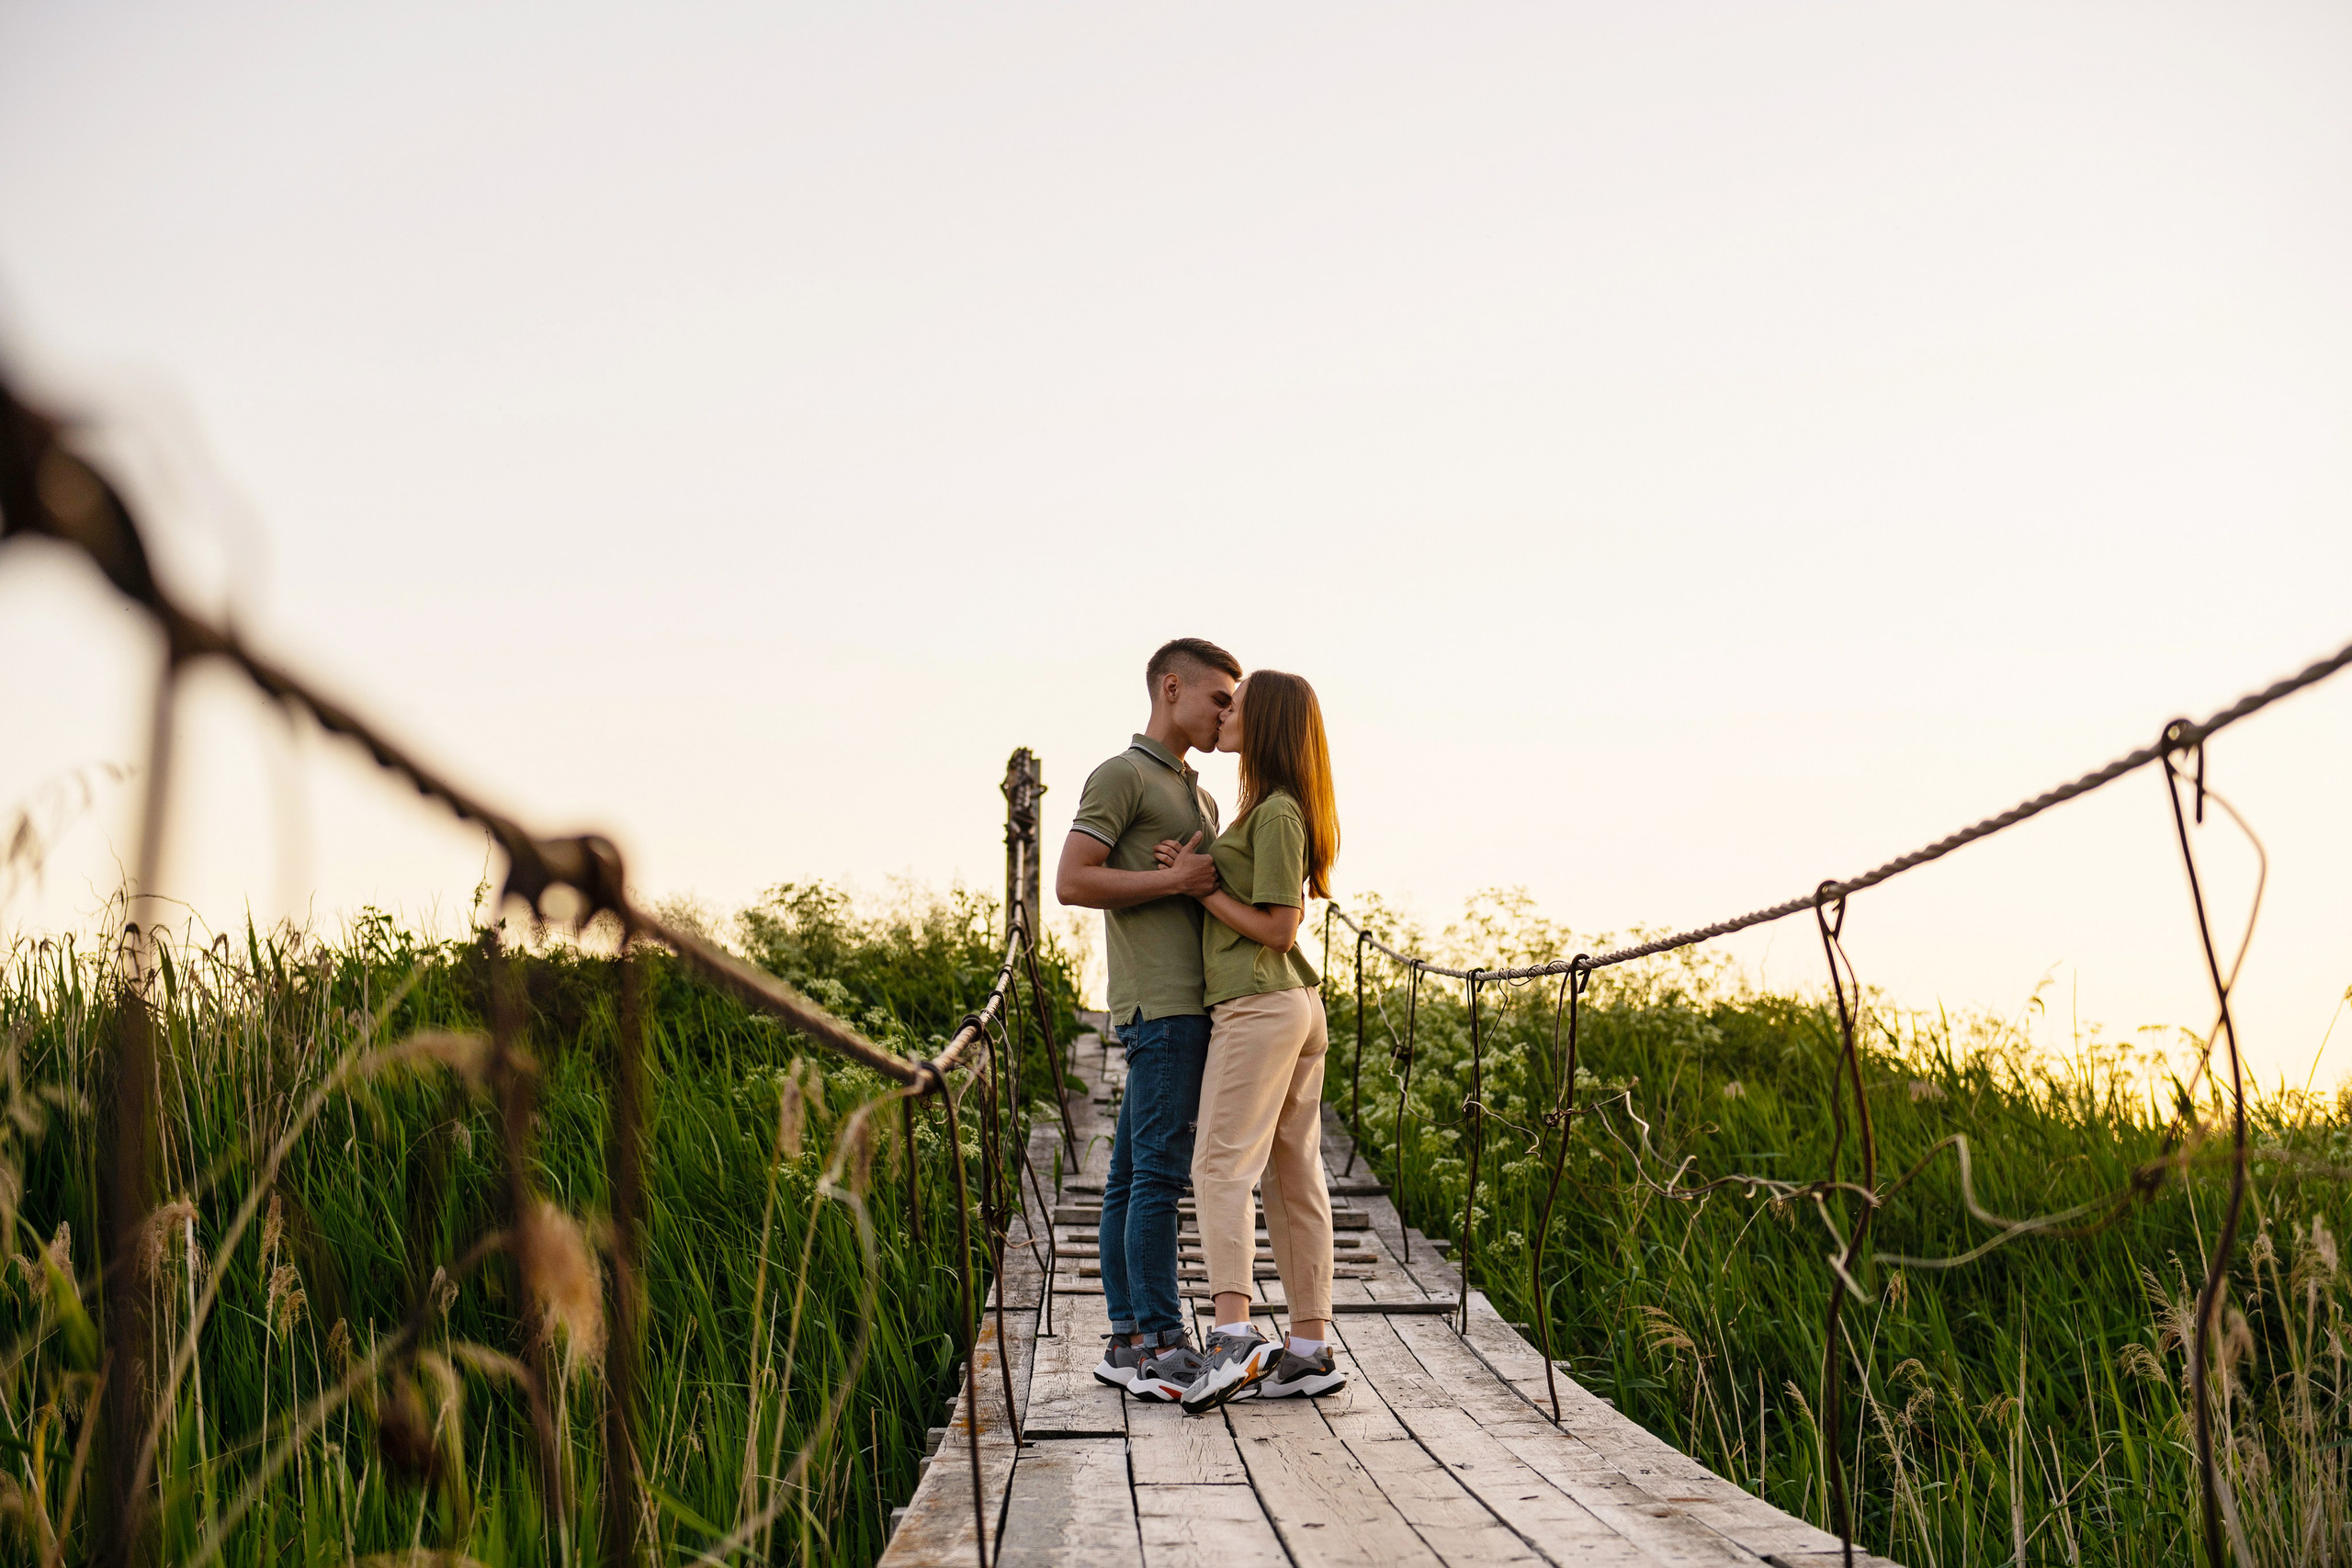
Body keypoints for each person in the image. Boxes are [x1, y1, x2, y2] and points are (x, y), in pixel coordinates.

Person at [1055, 637, 1240, 1402]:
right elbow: (1071, 879)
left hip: (1188, 1004)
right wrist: (1177, 883)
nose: (1229, 714)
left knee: (1130, 1180)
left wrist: (1196, 881)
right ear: (1171, 688)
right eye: (1219, 699)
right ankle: (1160, 1341)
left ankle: (1128, 1338)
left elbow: (1197, 886)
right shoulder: (1123, 774)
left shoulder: (1201, 796)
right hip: (1160, 1005)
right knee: (1160, 1178)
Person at [1159, 670, 1347, 1413]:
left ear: (1263, 721)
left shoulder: (1274, 813)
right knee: (1293, 1175)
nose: (1225, 712)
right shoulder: (1278, 808)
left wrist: (1200, 886)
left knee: (1219, 1165)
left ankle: (1233, 1340)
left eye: (1236, 704)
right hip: (1296, 1005)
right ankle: (1308, 1351)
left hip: (1260, 1002)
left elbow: (1278, 925)